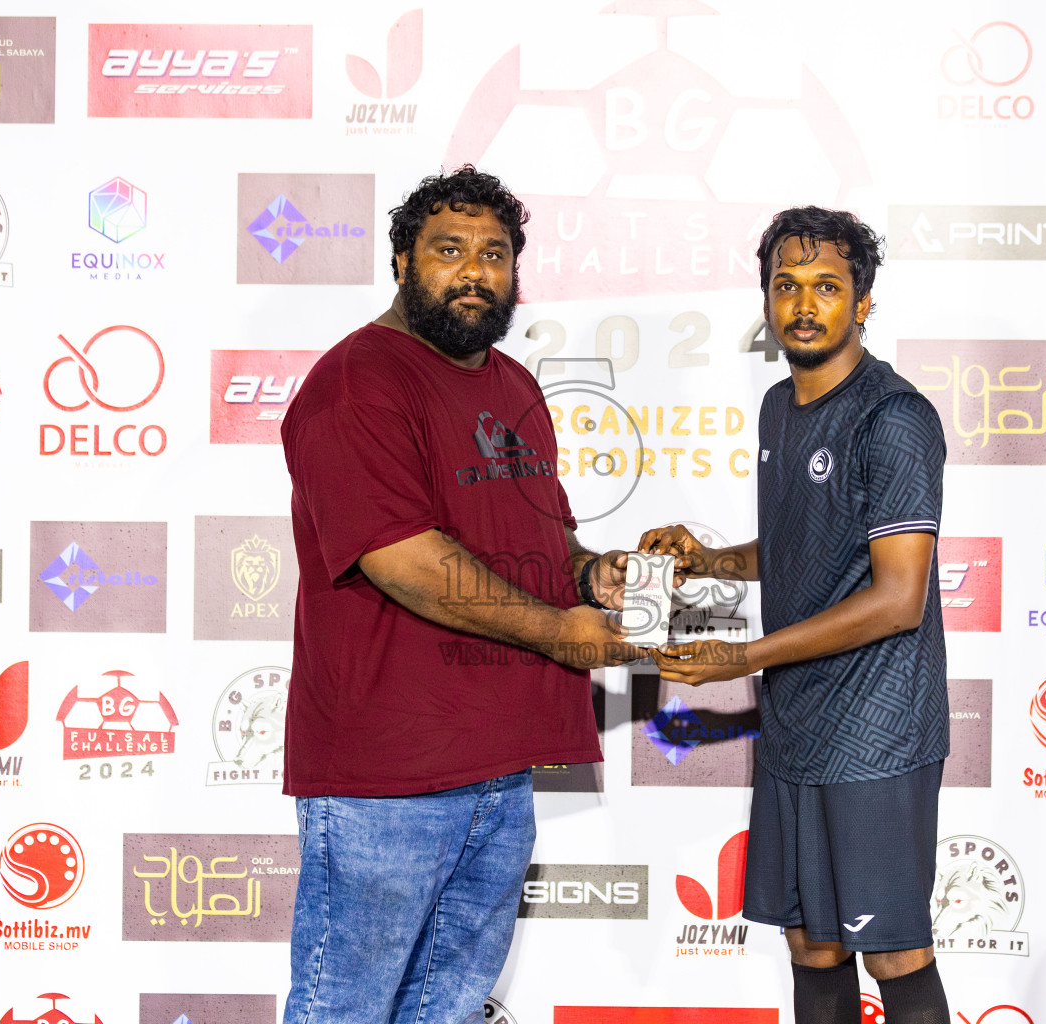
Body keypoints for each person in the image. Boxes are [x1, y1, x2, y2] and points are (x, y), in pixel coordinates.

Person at [279, 166, 639, 1024]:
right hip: (386, 776)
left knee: (449, 1010)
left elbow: (542, 535)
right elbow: (402, 557)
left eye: (495, 253)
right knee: (346, 1011)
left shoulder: (513, 385)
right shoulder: (355, 384)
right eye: (450, 251)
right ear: (402, 260)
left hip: (501, 769)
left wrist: (591, 574)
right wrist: (563, 633)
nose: (475, 272)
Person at [642, 207, 951, 1024]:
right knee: (811, 944)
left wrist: (744, 658)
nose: (804, 304)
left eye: (827, 286)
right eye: (787, 285)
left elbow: (897, 600)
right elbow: (797, 549)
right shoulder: (780, 405)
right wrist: (705, 561)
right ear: (767, 299)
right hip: (796, 729)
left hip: (878, 734)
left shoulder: (896, 420)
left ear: (865, 301)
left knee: (894, 951)